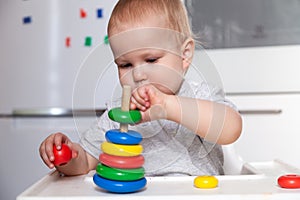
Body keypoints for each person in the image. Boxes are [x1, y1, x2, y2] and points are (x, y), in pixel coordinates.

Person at [39, 0, 242, 176]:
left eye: (151, 59)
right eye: (125, 65)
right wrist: (65, 156)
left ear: (185, 55)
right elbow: (85, 162)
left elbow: (231, 128)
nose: (137, 75)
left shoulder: (200, 95)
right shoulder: (118, 114)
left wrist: (168, 106)